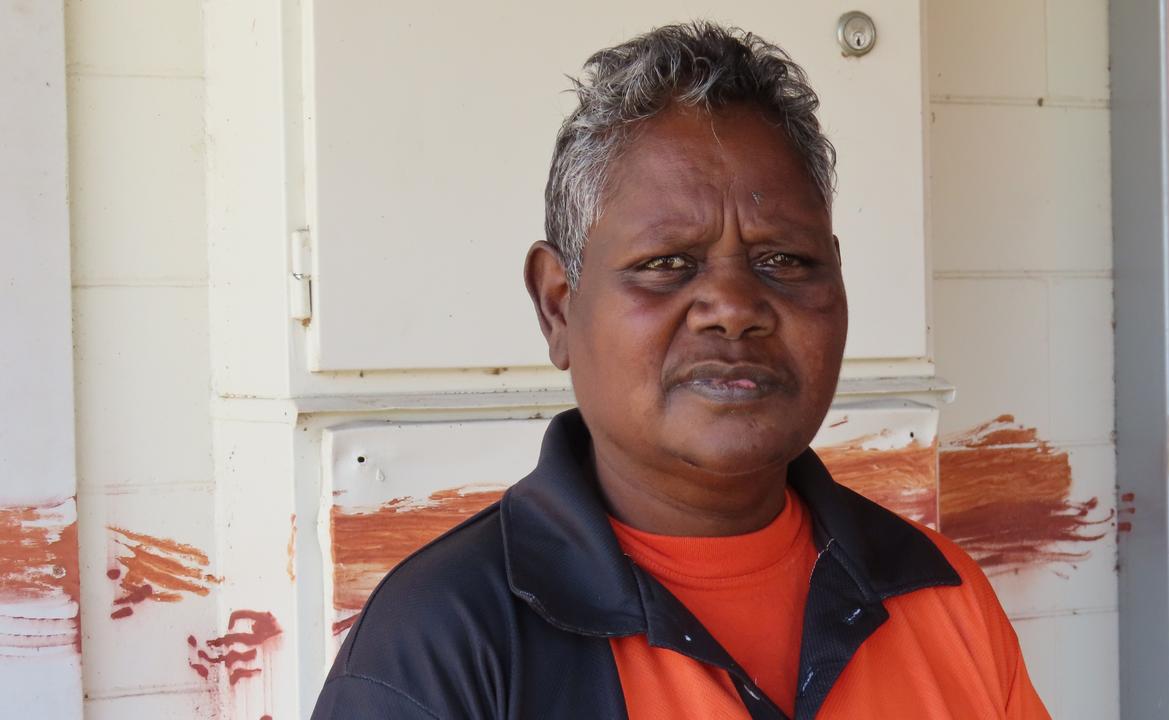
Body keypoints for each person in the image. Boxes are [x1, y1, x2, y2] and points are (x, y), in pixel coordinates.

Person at [312, 22, 1048, 719]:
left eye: (784, 261)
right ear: (559, 306)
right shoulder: (442, 642)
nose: (733, 307)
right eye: (666, 265)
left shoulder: (940, 594)